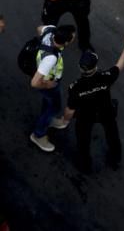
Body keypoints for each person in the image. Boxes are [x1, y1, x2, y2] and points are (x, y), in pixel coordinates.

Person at [63, 37, 124, 173]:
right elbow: (119, 66)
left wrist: (65, 120)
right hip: (105, 111)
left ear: (80, 68)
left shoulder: (75, 87)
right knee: (112, 135)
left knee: (83, 142)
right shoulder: (105, 77)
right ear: (95, 67)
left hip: (85, 116)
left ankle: (85, 166)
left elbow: (69, 110)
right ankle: (115, 158)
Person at [30, 24, 76, 153]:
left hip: (49, 80)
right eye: (72, 37)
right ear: (65, 43)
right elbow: (34, 83)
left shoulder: (50, 31)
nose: (74, 38)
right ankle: (38, 135)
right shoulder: (50, 58)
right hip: (48, 84)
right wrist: (47, 84)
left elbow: (39, 28)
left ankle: (48, 119)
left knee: (50, 105)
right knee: (53, 108)